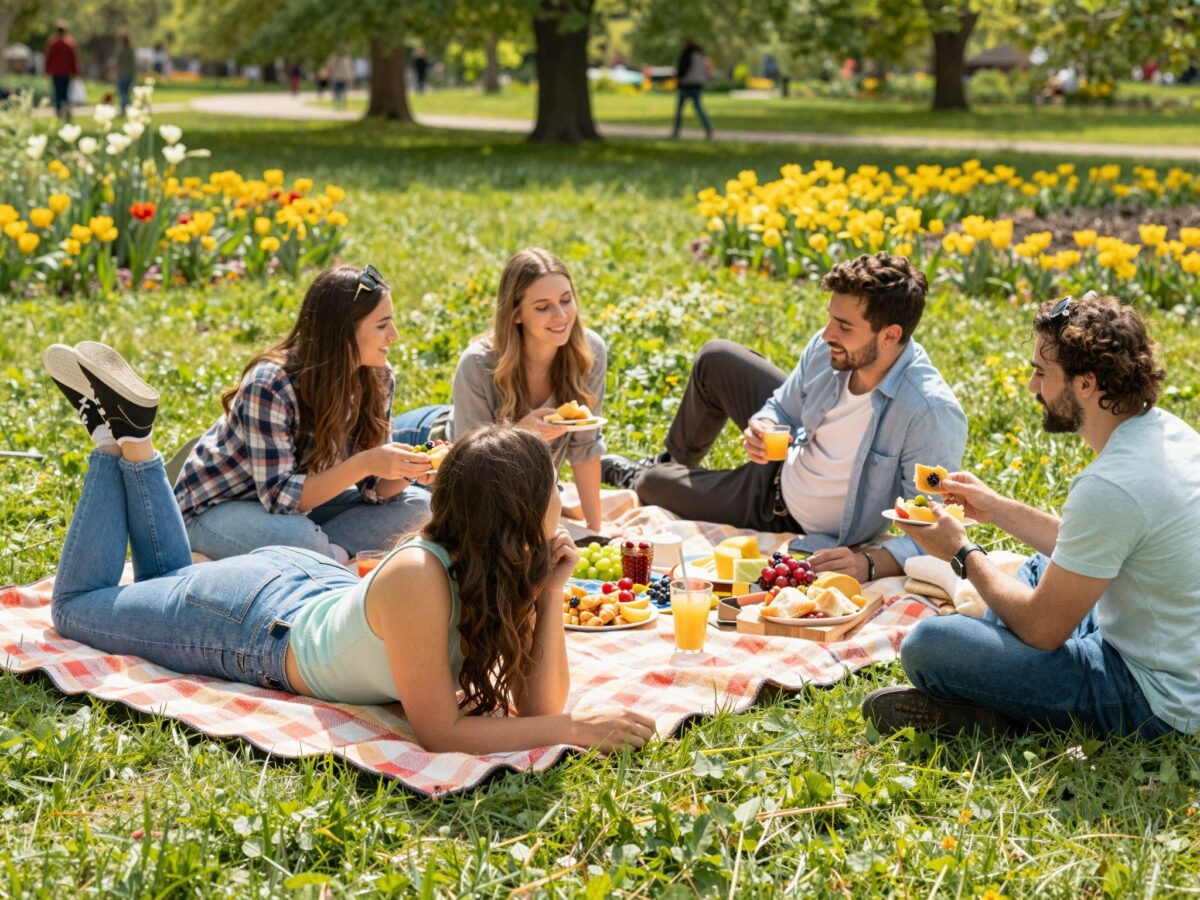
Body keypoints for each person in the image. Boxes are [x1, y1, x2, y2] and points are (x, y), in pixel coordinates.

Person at [41, 343, 655, 754]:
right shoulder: (420, 575)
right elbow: (441, 732)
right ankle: (113, 440)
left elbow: (537, 703)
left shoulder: (504, 560)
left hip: (302, 588)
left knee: (165, 583)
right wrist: (571, 730)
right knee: (75, 607)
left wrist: (548, 594)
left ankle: (132, 437)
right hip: (252, 622)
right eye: (551, 489)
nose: (558, 502)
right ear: (515, 510)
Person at [864, 293, 1199, 740]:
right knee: (1042, 567)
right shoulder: (1168, 431)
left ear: (1086, 383)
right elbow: (1099, 543)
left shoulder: (1111, 486)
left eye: (1041, 373)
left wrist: (960, 551)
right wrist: (995, 507)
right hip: (1166, 644)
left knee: (930, 646)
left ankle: (995, 712)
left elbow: (1043, 631)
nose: (1031, 386)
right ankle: (998, 692)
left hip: (1153, 697)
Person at [602, 252, 966, 583]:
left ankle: (648, 476)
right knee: (717, 359)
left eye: (844, 326)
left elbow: (936, 528)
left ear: (890, 336)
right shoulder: (831, 350)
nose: (827, 334)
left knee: (653, 484)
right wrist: (764, 424)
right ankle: (676, 464)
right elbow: (783, 407)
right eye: (830, 318)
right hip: (786, 455)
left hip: (775, 509)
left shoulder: (929, 413)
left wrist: (868, 563)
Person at [174, 264, 433, 562]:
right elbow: (279, 497)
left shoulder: (377, 377)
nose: (394, 335)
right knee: (299, 539)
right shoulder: (270, 384)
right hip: (216, 510)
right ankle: (324, 555)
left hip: (302, 510)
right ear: (343, 331)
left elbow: (374, 489)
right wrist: (365, 463)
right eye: (382, 325)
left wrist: (409, 470)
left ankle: (323, 556)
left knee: (420, 508)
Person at [392, 248, 609, 536]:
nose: (561, 316)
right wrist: (521, 435)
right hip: (432, 447)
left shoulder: (589, 351)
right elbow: (469, 468)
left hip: (513, 480)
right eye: (543, 307)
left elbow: (585, 447)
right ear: (516, 314)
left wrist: (595, 529)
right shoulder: (478, 364)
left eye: (566, 300)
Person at [672, 37, 713, 139]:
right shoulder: (700, 55)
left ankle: (676, 132)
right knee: (698, 107)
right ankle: (708, 129)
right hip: (697, 84)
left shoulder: (686, 54)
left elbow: (682, 69)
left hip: (686, 84)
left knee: (680, 109)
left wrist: (678, 80)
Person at [44, 20, 80, 121]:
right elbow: (74, 59)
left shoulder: (52, 43)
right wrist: (75, 72)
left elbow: (48, 57)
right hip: (66, 72)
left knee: (58, 93)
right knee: (66, 93)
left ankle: (59, 113)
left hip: (56, 72)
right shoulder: (70, 43)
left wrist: (47, 70)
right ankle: (67, 112)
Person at [114, 30, 136, 116]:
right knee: (126, 92)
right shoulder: (131, 49)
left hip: (123, 74)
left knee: (123, 93)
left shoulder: (121, 50)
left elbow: (117, 62)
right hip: (130, 74)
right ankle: (129, 108)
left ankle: (124, 109)